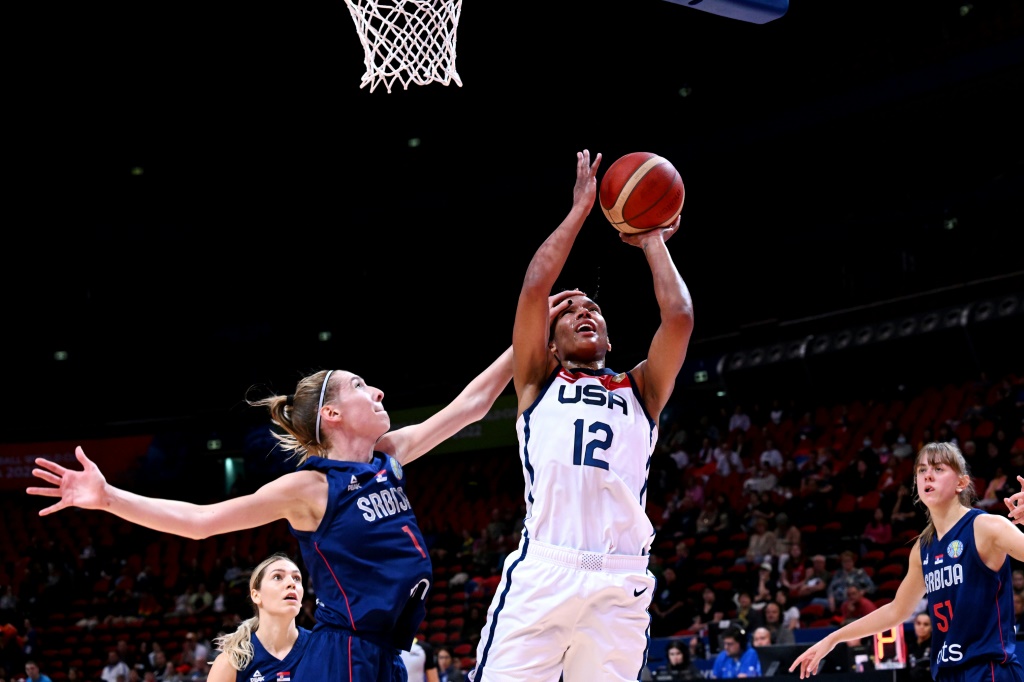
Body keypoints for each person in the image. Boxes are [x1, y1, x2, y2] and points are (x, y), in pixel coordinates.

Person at [25, 327, 546, 682]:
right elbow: (202, 522)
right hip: (345, 653)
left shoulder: (389, 457)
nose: (380, 391)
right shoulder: (311, 488)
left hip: (387, 653)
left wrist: (529, 331)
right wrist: (108, 497)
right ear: (334, 415)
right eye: (362, 386)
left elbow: (472, 405)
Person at [468, 148, 694, 682]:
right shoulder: (536, 381)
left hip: (619, 581)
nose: (583, 312)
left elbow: (679, 316)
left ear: (611, 336)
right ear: (549, 340)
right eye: (569, 312)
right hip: (545, 568)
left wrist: (653, 239)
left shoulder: (640, 388)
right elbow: (533, 289)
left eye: (592, 309)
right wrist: (579, 212)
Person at [790, 443, 1024, 682]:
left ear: (961, 483)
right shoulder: (923, 548)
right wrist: (833, 638)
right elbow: (896, 611)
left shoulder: (987, 527)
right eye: (921, 470)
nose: (928, 475)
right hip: (947, 673)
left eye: (938, 468)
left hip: (988, 669)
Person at [204, 553, 308, 682]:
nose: (292, 583)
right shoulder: (231, 662)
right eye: (277, 577)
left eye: (297, 578)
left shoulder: (320, 646)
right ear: (256, 595)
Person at [905, 612, 932, 682]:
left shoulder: (935, 646)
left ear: (932, 627)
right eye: (918, 623)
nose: (921, 627)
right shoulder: (908, 645)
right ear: (914, 625)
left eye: (926, 624)